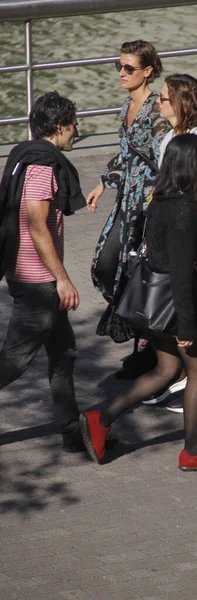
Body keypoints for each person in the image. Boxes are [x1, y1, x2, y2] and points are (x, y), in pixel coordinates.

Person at [80, 134, 197, 471]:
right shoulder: (185, 211)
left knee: (166, 370)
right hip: (177, 306)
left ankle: (101, 419)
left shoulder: (162, 200)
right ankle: (192, 452)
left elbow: (164, 257)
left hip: (157, 304)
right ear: (190, 164)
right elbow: (180, 271)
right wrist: (190, 325)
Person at [0, 91, 85, 452]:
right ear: (61, 126)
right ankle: (72, 432)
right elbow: (36, 224)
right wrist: (62, 279)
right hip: (38, 282)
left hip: (32, 277)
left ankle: (72, 433)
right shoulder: (42, 168)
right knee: (14, 363)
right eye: (74, 125)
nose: (77, 132)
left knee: (63, 354)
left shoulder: (25, 155)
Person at [142, 73, 197, 413]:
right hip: (172, 229)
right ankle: (180, 380)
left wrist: (186, 194)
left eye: (164, 97)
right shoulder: (170, 135)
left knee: (193, 315)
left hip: (189, 235)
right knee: (179, 311)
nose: (159, 102)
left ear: (180, 101)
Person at [86, 39, 171, 378]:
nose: (121, 73)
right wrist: (102, 183)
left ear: (148, 71)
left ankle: (148, 349)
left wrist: (159, 203)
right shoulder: (126, 107)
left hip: (150, 205)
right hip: (127, 200)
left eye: (129, 68)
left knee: (140, 274)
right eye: (118, 66)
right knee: (105, 265)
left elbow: (167, 157)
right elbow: (125, 153)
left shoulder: (157, 111)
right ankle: (142, 334)